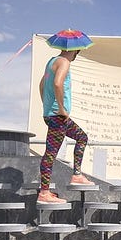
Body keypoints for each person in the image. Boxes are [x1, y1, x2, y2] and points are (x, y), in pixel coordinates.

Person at [38, 37, 94, 204]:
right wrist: (61, 108)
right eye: (78, 51)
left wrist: (47, 105)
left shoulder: (51, 61)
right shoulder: (64, 62)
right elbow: (57, 83)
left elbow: (42, 85)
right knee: (50, 153)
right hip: (59, 117)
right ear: (75, 50)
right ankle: (44, 193)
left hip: (52, 115)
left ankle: (76, 175)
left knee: (82, 137)